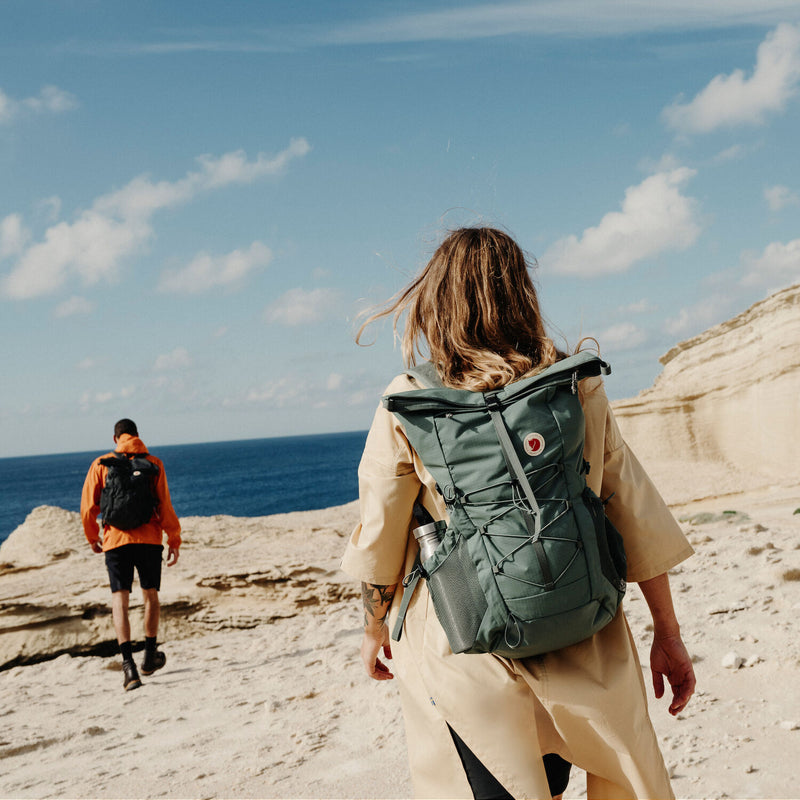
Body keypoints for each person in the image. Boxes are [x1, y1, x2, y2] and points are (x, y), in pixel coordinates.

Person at [342, 227, 696, 799]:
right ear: (522, 293)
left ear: (435, 303)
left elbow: (381, 536)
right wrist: (668, 634)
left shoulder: (409, 399)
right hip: (583, 630)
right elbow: (630, 505)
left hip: (471, 650)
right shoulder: (573, 383)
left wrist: (374, 627)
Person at [81, 418, 181, 692]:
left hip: (115, 540)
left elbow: (89, 506)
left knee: (120, 601)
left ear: (115, 439)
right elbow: (165, 504)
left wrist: (92, 536)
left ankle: (129, 668)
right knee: (151, 596)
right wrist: (174, 538)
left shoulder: (101, 463)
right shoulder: (154, 463)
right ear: (137, 436)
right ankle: (149, 656)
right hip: (149, 539)